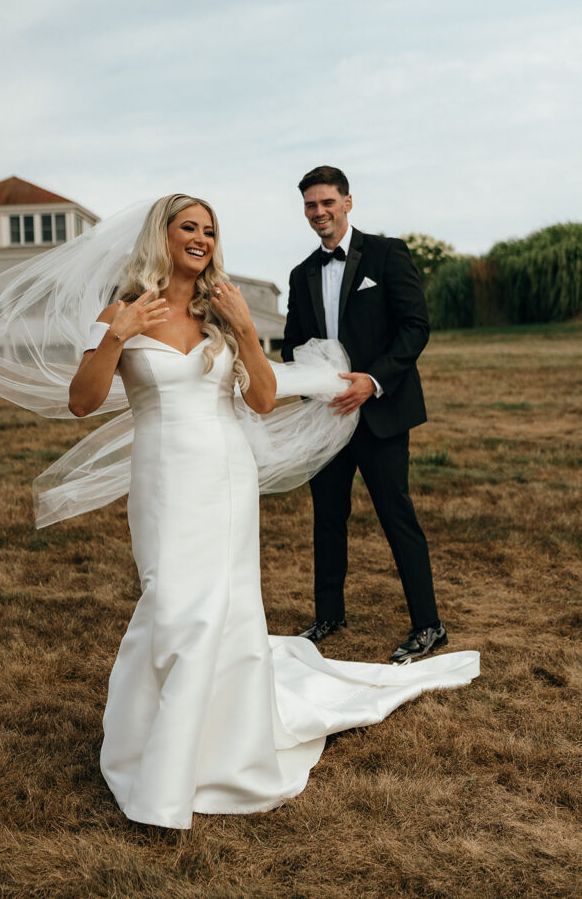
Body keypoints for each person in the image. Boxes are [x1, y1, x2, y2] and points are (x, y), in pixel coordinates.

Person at [62, 193, 477, 828]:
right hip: (163, 480)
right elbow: (82, 402)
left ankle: (209, 761)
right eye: (188, 228)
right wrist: (116, 336)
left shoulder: (222, 311)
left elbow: (259, 400)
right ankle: (153, 745)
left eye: (209, 230)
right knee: (171, 603)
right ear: (162, 236)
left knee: (220, 612)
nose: (201, 239)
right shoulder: (122, 311)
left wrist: (248, 332)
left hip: (226, 474)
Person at [282, 166, 446, 662]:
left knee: (397, 517)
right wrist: (314, 383)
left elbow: (415, 327)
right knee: (327, 519)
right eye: (310, 205)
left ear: (347, 203)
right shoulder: (300, 273)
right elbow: (292, 343)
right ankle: (329, 613)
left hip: (380, 412)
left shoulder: (387, 253)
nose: (319, 213)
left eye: (327, 202)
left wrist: (372, 382)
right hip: (326, 418)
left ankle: (429, 625)